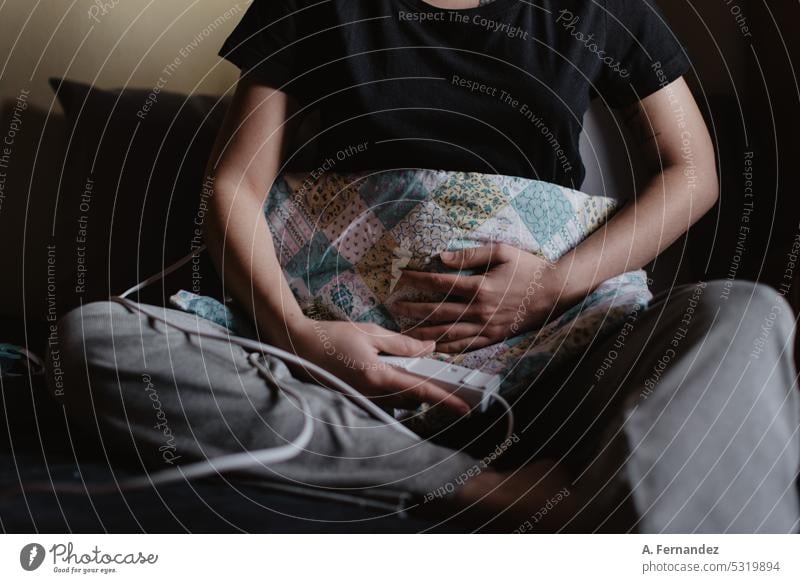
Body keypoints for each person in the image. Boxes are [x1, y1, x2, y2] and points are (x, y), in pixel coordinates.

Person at [53, 0, 800, 532]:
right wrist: (294, 332)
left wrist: (550, 286)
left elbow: (693, 169)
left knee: (750, 316)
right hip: (337, 366)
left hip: (562, 355)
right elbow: (235, 182)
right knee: (96, 341)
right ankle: (482, 487)